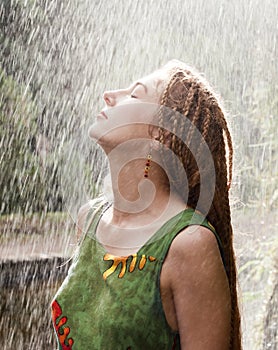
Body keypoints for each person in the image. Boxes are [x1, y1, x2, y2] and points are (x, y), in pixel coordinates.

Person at [51, 60, 241, 349]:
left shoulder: (189, 244)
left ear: (161, 134)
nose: (110, 94)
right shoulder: (89, 219)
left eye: (135, 93)